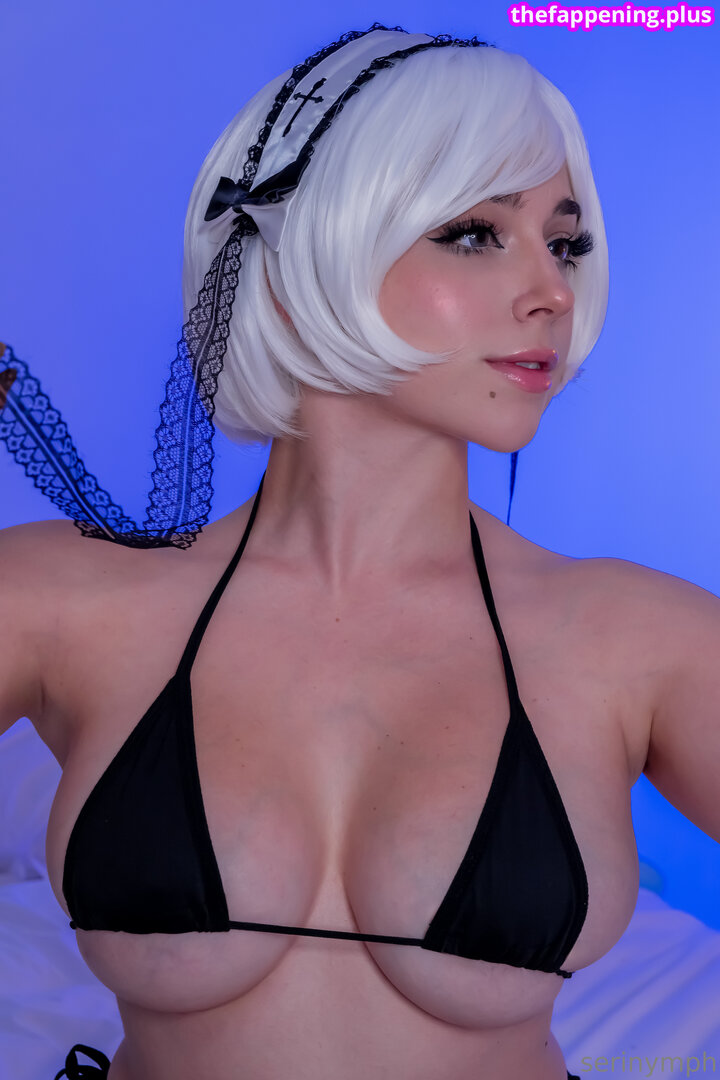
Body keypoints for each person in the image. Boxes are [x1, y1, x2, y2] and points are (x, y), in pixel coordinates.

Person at [1, 23, 718, 1080]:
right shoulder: (58, 599)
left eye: (564, 243)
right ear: (304, 254)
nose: (554, 291)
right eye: (475, 233)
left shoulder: (643, 640)